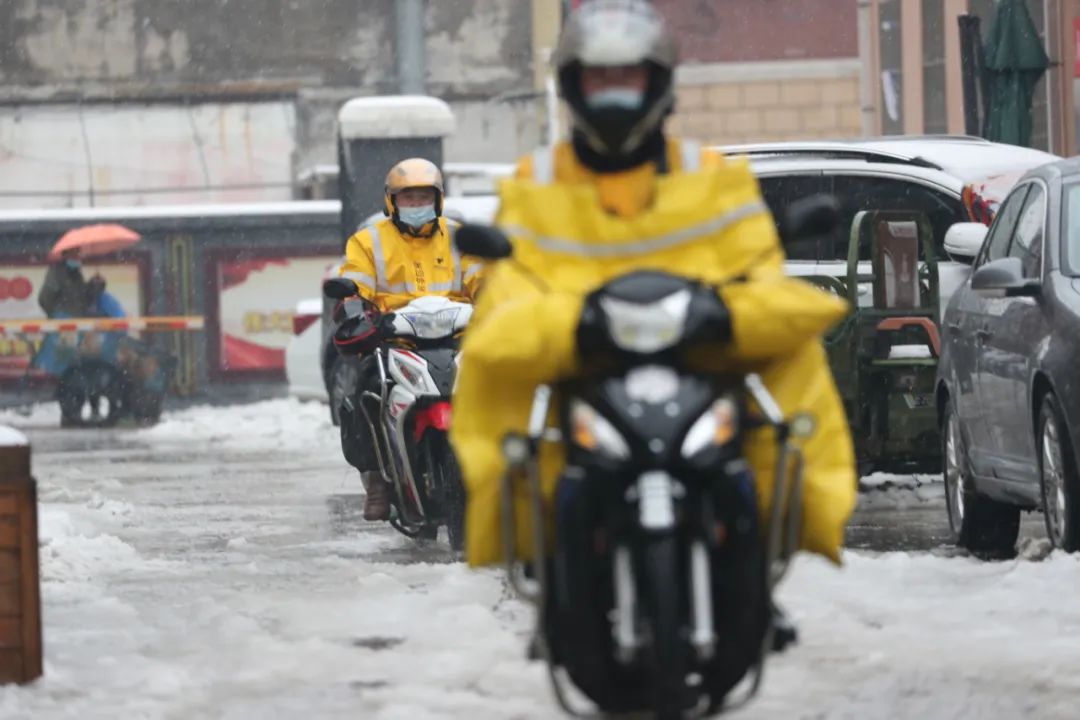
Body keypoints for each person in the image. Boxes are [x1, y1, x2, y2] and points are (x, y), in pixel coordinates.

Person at [450, 0, 856, 648]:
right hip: (586, 372)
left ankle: (760, 577)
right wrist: (575, 322)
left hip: (699, 368)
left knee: (775, 422)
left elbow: (761, 274)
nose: (615, 95)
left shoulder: (715, 175)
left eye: (628, 78)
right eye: (599, 79)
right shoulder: (535, 181)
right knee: (508, 410)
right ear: (573, 86)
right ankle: (545, 569)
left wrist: (722, 312)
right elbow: (509, 304)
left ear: (660, 83)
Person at [335, 158, 486, 521]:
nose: (416, 205)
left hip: (458, 337)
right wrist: (355, 311)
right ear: (391, 202)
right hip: (396, 341)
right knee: (367, 392)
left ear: (438, 200)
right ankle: (377, 480)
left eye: (423, 198)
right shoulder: (368, 241)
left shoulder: (459, 236)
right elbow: (354, 286)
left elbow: (484, 280)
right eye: (408, 198)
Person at [38, 248, 100, 319]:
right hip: (63, 320)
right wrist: (56, 313)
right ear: (65, 256)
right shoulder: (56, 272)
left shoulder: (76, 274)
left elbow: (84, 296)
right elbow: (44, 298)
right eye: (73, 254)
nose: (77, 256)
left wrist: (95, 284)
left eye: (78, 253)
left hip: (78, 318)